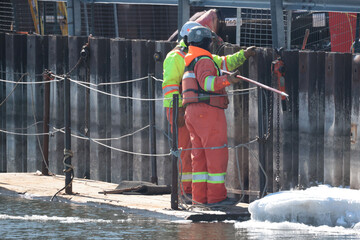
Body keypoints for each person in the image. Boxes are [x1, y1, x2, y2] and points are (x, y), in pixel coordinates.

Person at [162, 21, 255, 203]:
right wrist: (177, 110)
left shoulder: (197, 56)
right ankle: (187, 192)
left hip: (191, 109)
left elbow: (224, 63)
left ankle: (197, 195)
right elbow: (170, 85)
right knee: (188, 152)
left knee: (197, 153)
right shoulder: (176, 57)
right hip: (181, 109)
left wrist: (243, 55)